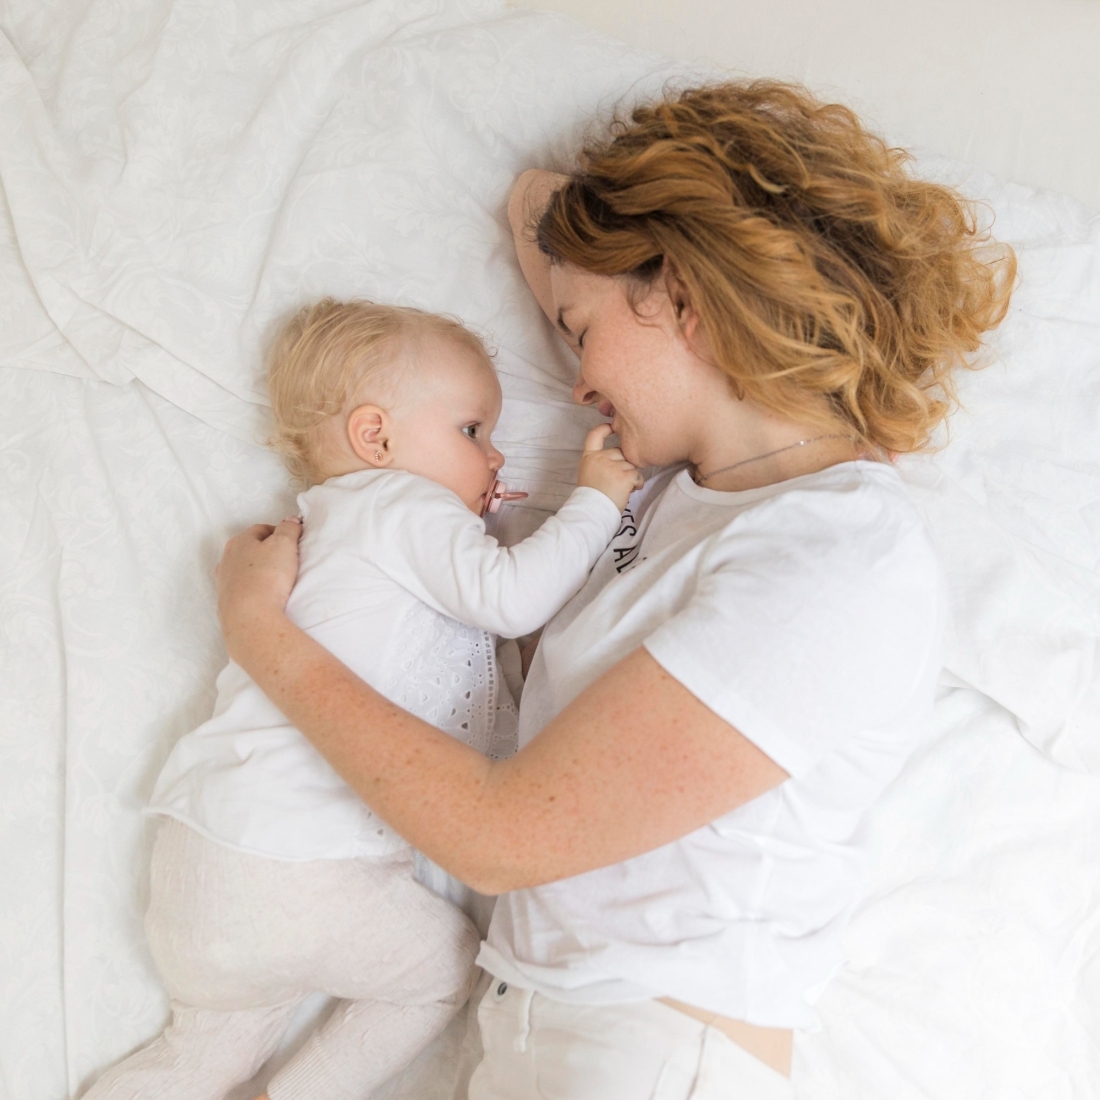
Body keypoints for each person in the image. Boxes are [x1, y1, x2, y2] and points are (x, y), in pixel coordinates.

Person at [214, 81, 1015, 1099]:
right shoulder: (695, 496)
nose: (577, 378)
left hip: (647, 1052)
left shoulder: (836, 554)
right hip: (563, 1039)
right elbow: (533, 207)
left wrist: (261, 634)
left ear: (681, 298)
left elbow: (496, 836)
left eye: (575, 326)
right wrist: (641, 250)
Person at [83, 299, 640, 1100]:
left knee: (196, 1057)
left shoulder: (327, 529)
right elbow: (512, 599)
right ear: (376, 438)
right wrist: (595, 500)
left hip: (202, 871)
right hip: (298, 873)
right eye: (472, 431)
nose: (496, 457)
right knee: (443, 971)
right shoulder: (402, 504)